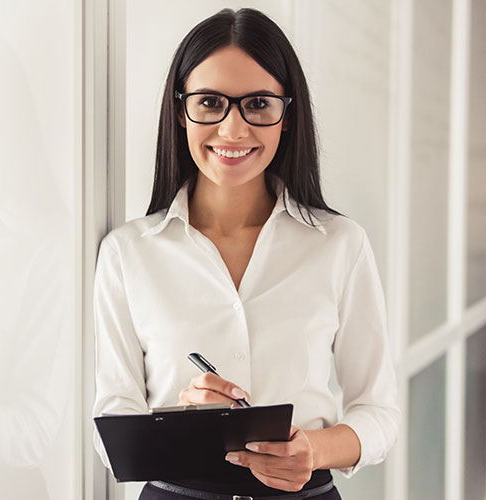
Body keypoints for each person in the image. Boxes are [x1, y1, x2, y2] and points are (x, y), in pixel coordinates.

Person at [92, 8, 399, 500]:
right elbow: (110, 429)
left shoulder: (340, 244)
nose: (233, 131)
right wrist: (181, 422)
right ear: (179, 110)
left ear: (287, 115)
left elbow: (380, 414)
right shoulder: (128, 253)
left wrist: (314, 451)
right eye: (210, 102)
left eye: (258, 103)